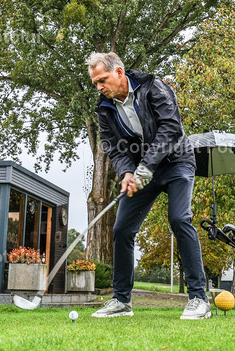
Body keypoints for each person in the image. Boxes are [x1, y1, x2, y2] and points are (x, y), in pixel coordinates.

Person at [86, 52, 211, 320]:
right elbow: (114, 147)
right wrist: (126, 173)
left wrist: (146, 167)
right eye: (95, 82)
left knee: (179, 219)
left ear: (119, 73)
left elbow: (170, 128)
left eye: (102, 79)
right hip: (142, 170)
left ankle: (199, 298)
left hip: (177, 162)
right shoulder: (105, 108)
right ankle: (121, 301)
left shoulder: (153, 87)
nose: (98, 87)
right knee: (121, 229)